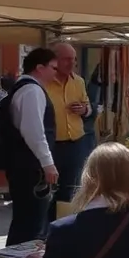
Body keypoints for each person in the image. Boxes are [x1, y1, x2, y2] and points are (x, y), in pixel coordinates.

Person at [0, 48, 60, 258]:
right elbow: (35, 133)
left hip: (23, 167)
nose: (56, 73)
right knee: (30, 227)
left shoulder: (24, 89)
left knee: (25, 225)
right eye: (53, 67)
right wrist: (48, 164)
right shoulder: (32, 91)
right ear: (40, 67)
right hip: (29, 169)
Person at [45, 42, 91, 216]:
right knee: (48, 192)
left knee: (69, 189)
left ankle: (61, 228)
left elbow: (88, 106)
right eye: (66, 59)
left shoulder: (78, 81)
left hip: (75, 143)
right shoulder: (44, 83)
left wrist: (84, 110)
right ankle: (46, 230)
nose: (72, 63)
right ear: (55, 60)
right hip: (52, 145)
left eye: (74, 59)